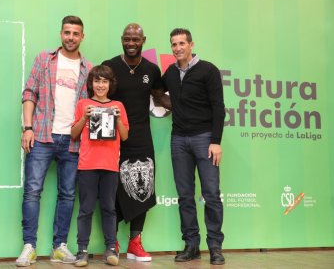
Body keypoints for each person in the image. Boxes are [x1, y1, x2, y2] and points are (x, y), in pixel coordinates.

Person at [16, 15, 92, 267]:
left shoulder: (87, 68)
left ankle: (59, 247)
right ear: (61, 34)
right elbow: (30, 93)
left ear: (82, 37)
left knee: (68, 194)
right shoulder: (44, 59)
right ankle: (29, 246)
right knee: (33, 191)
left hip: (72, 140)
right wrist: (27, 127)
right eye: (67, 32)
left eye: (76, 33)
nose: (71, 37)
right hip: (42, 135)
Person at [102, 23, 170, 262]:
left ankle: (135, 242)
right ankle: (113, 242)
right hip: (113, 136)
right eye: (127, 39)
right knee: (112, 187)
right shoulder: (109, 66)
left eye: (136, 39)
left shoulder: (151, 69)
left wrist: (186, 109)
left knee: (143, 185)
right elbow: (100, 97)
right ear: (122, 39)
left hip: (141, 136)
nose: (131, 43)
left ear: (143, 40)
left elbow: (160, 96)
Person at [162, 28, 226, 265]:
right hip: (178, 139)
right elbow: (157, 92)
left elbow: (218, 107)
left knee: (210, 194)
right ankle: (191, 245)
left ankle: (215, 247)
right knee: (185, 196)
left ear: (191, 44)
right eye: (173, 44)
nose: (177, 48)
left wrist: (216, 141)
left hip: (205, 138)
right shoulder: (169, 72)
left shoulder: (208, 70)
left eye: (181, 43)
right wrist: (171, 105)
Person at [71, 65, 129, 267]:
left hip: (110, 165)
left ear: (110, 84)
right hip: (87, 164)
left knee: (109, 208)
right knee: (85, 209)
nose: (101, 85)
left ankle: (111, 249)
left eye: (104, 81)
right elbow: (74, 134)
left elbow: (124, 135)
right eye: (97, 81)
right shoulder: (83, 104)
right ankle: (82, 250)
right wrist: (85, 117)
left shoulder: (118, 106)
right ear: (91, 84)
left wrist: (119, 118)